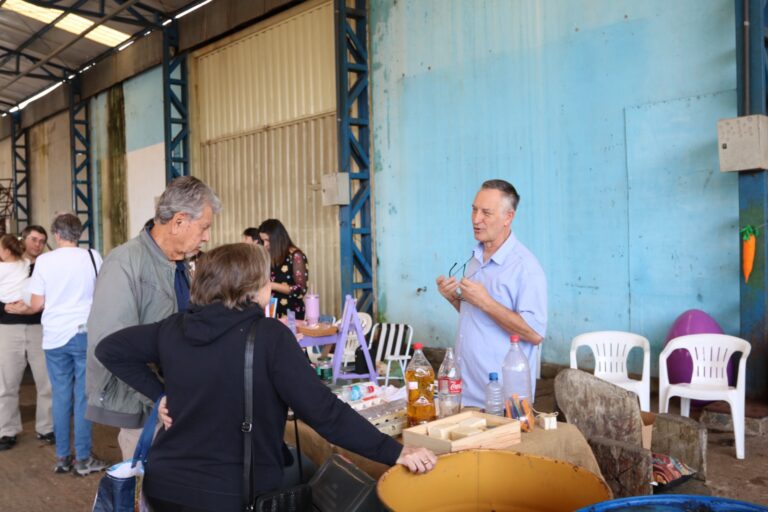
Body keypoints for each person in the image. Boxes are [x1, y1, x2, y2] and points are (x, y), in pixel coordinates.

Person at [96, 243, 436, 512]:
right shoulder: (268, 335)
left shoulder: (173, 328)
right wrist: (394, 452)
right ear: (251, 288)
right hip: (230, 494)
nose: (269, 289)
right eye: (265, 281)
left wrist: (160, 393)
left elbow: (110, 349)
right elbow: (325, 413)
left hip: (166, 487)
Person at [86, 176, 221, 460]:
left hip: (184, 402)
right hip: (151, 413)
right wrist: (158, 396)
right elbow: (110, 344)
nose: (207, 236)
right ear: (179, 221)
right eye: (205, 227)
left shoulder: (185, 264)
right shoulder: (125, 263)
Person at [6, 214, 107, 475]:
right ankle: (83, 459)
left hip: (54, 337)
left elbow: (37, 304)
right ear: (79, 233)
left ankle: (63, 457)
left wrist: (17, 309)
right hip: (84, 333)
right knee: (83, 396)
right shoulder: (93, 257)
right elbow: (102, 293)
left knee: (61, 395)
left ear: (57, 235)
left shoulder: (45, 261)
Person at [436, 179, 547, 408]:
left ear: (508, 217)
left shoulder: (525, 268)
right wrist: (454, 298)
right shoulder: (476, 258)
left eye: (486, 212)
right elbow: (477, 315)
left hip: (501, 400)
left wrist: (486, 302)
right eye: (474, 210)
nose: (476, 219)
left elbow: (535, 333)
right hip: (465, 392)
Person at [0, 233, 53, 451]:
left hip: (38, 329)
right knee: (5, 384)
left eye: (41, 241)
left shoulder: (42, 268)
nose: (37, 244)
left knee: (46, 382)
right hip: (7, 329)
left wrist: (30, 307)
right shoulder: (8, 268)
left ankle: (46, 427)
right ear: (23, 243)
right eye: (33, 239)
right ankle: (6, 431)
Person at [257, 219, 308, 319]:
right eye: (263, 241)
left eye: (267, 240)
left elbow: (301, 289)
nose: (265, 245)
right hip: (271, 313)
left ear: (277, 238)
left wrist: (272, 285)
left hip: (291, 315)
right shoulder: (268, 255)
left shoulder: (296, 256)